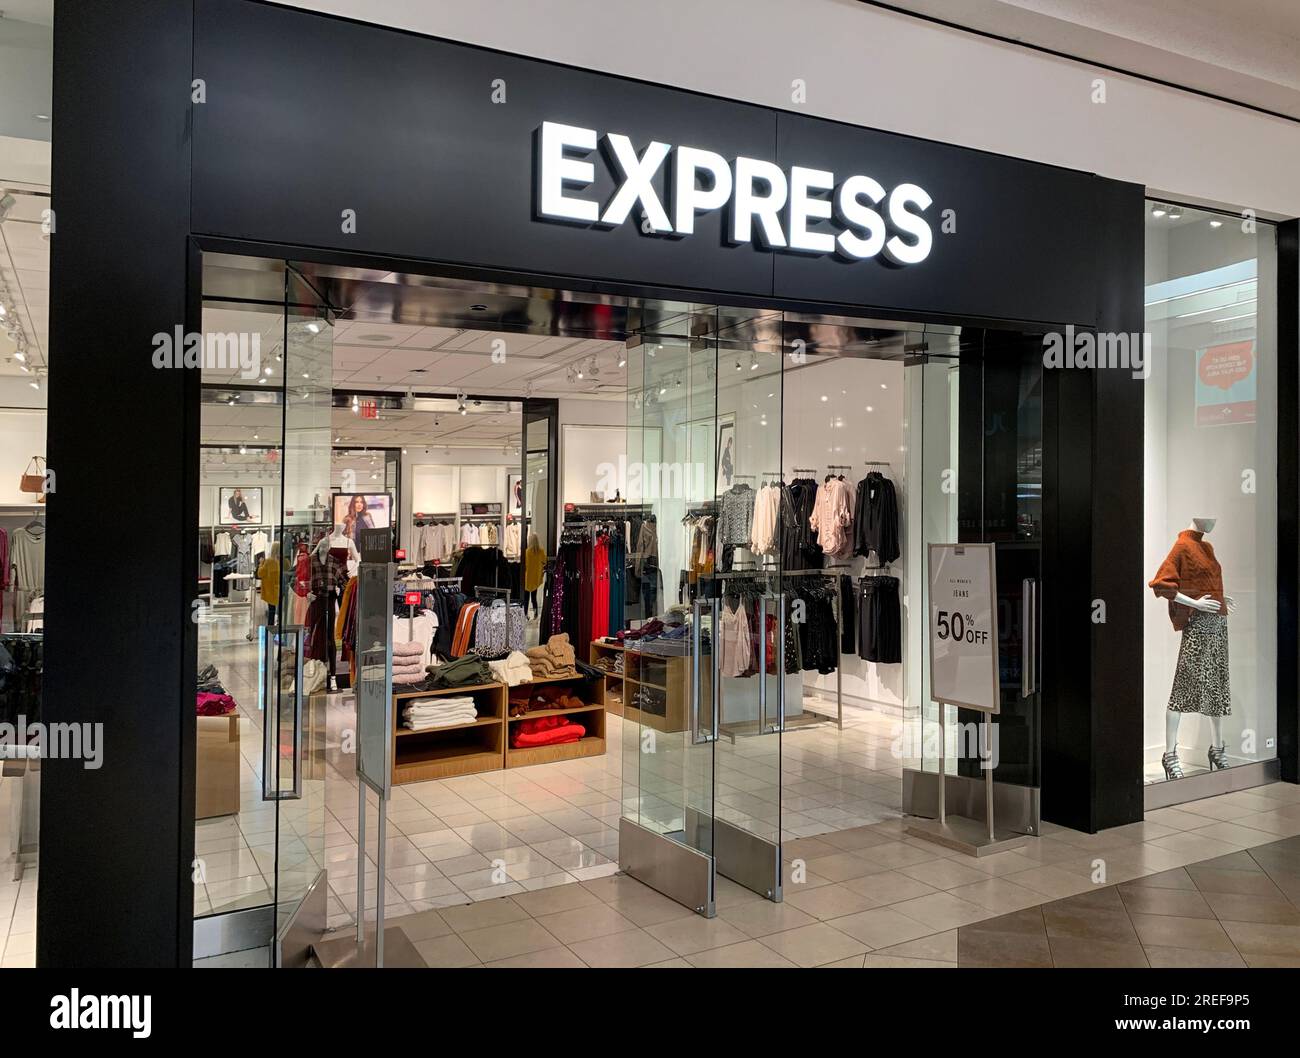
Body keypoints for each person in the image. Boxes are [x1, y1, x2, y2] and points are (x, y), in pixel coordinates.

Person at [523, 532, 545, 617]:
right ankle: (535, 614)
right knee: (534, 598)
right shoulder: (541, 551)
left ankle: (525, 614)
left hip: (527, 578)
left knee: (526, 598)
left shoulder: (527, 552)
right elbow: (545, 562)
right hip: (536, 578)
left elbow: (524, 565)